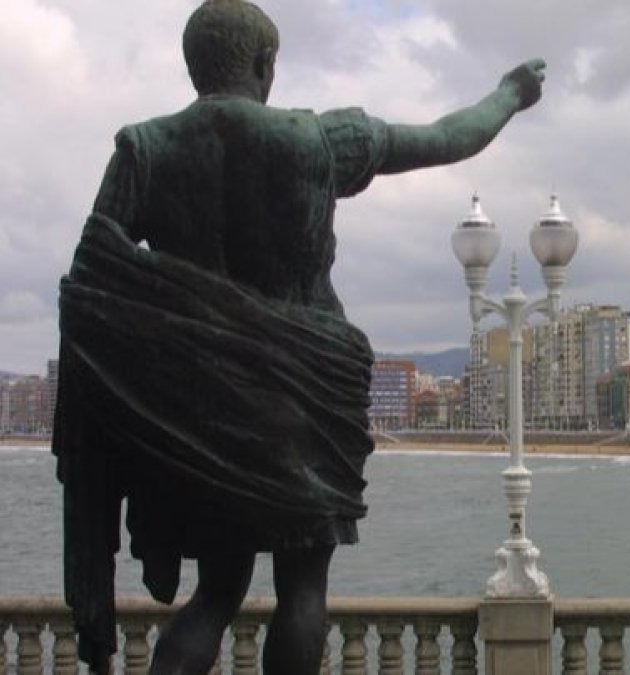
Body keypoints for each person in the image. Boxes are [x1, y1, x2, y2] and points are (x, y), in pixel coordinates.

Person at [52, 1, 545, 673]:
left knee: (216, 592)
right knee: (303, 588)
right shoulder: (317, 139)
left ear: (193, 66)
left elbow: (92, 286)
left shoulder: (144, 148)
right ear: (265, 66)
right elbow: (446, 137)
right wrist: (510, 94)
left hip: (197, 416)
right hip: (301, 406)